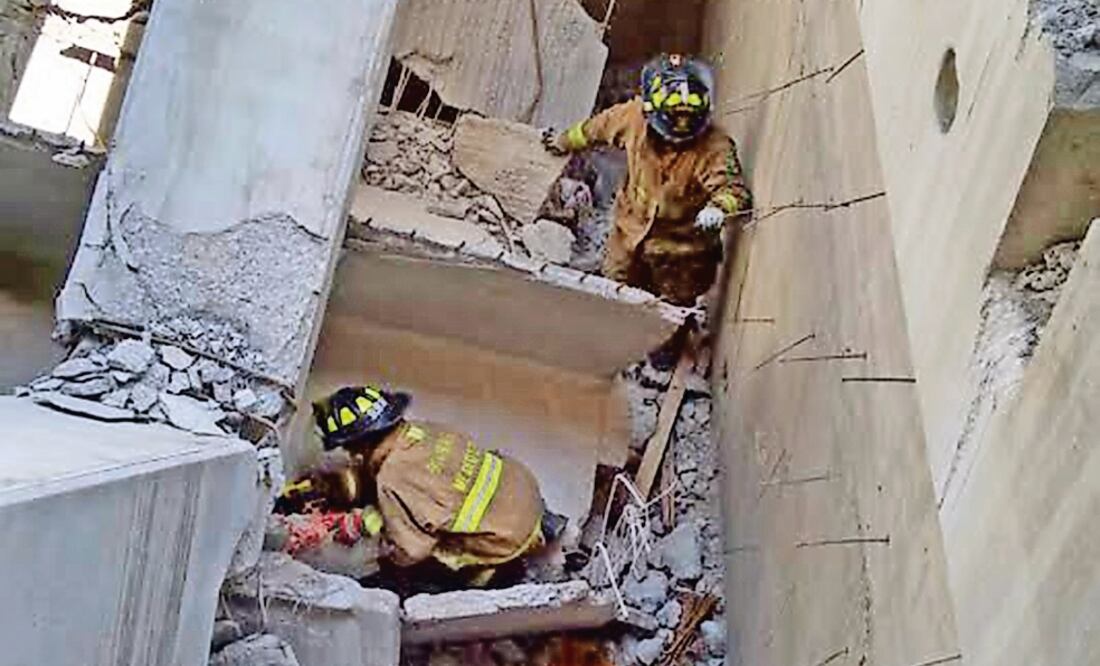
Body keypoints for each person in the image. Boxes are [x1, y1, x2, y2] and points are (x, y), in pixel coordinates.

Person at [544, 53, 752, 306]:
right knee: (612, 296)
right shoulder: (632, 118)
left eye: (689, 120)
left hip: (682, 256)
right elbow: (593, 129)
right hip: (628, 237)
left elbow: (734, 190)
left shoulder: (715, 147)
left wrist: (719, 208)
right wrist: (562, 141)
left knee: (670, 314)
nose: (679, 136)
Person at [304, 384, 563, 585]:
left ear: (358, 444)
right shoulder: (423, 430)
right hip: (525, 491)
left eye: (347, 448)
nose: (350, 455)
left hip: (507, 537)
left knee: (407, 570)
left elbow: (411, 551)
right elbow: (428, 480)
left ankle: (491, 578)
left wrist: (376, 542)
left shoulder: (392, 480)